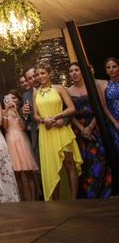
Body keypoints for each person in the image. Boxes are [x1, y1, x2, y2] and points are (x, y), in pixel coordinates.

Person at [33, 62, 83, 201]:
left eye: (43, 73)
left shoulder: (59, 88)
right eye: (37, 74)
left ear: (50, 73)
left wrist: (57, 117)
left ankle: (74, 199)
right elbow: (35, 115)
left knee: (69, 163)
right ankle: (56, 201)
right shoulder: (36, 92)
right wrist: (44, 121)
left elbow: (71, 108)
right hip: (47, 132)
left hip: (61, 129)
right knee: (52, 167)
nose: (40, 76)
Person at [67, 63, 112, 199]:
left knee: (100, 160)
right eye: (71, 71)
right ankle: (89, 197)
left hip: (96, 126)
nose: (74, 73)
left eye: (77, 70)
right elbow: (70, 114)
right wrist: (82, 129)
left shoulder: (92, 86)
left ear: (82, 72)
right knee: (84, 163)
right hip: (79, 130)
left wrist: (90, 127)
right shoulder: (68, 91)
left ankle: (103, 194)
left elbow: (100, 108)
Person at [2, 90, 38, 201]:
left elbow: (22, 127)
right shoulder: (5, 112)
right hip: (11, 141)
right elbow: (5, 127)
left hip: (21, 141)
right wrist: (7, 111)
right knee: (16, 174)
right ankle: (22, 199)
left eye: (13, 98)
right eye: (8, 99)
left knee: (28, 172)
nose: (11, 101)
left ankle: (34, 199)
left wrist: (17, 113)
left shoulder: (21, 111)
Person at [99, 57, 119, 155]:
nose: (111, 69)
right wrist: (115, 122)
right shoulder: (104, 85)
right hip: (115, 123)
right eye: (108, 67)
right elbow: (104, 106)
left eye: (114, 66)